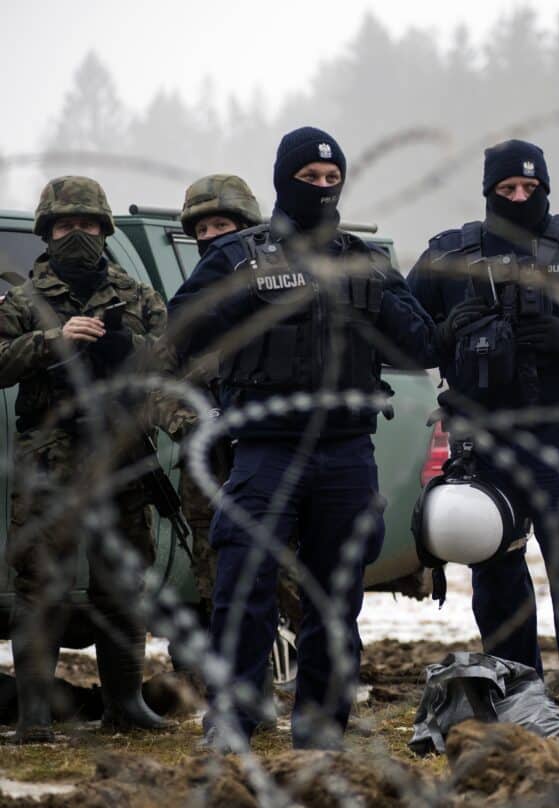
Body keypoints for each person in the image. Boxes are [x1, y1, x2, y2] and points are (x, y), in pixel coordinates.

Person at [168, 127, 439, 751]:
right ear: (284, 182)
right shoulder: (242, 256)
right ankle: (231, 723)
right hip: (265, 450)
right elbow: (181, 326)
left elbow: (422, 344)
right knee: (243, 590)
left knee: (334, 602)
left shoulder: (363, 260)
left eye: (330, 178)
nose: (321, 187)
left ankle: (320, 732)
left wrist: (368, 300)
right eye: (308, 178)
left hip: (346, 452)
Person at [406, 139, 559, 738]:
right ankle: (517, 712)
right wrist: (449, 332)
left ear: (546, 187)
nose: (520, 198)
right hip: (483, 446)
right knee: (497, 584)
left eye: (530, 188)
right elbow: (401, 338)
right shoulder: (451, 255)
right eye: (507, 190)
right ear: (490, 192)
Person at [0, 176, 187, 742]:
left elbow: (174, 359)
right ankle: (35, 713)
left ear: (104, 231)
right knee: (40, 584)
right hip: (47, 462)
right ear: (47, 233)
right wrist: (50, 341)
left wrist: (128, 350)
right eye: (65, 226)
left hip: (120, 456)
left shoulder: (135, 294)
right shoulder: (22, 298)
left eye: (87, 225)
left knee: (122, 580)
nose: (77, 234)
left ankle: (125, 702)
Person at [175, 174, 264, 617]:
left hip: (267, 454)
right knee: (214, 584)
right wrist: (194, 417)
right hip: (208, 465)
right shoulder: (188, 306)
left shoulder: (279, 293)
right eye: (202, 231)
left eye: (221, 227)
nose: (210, 238)